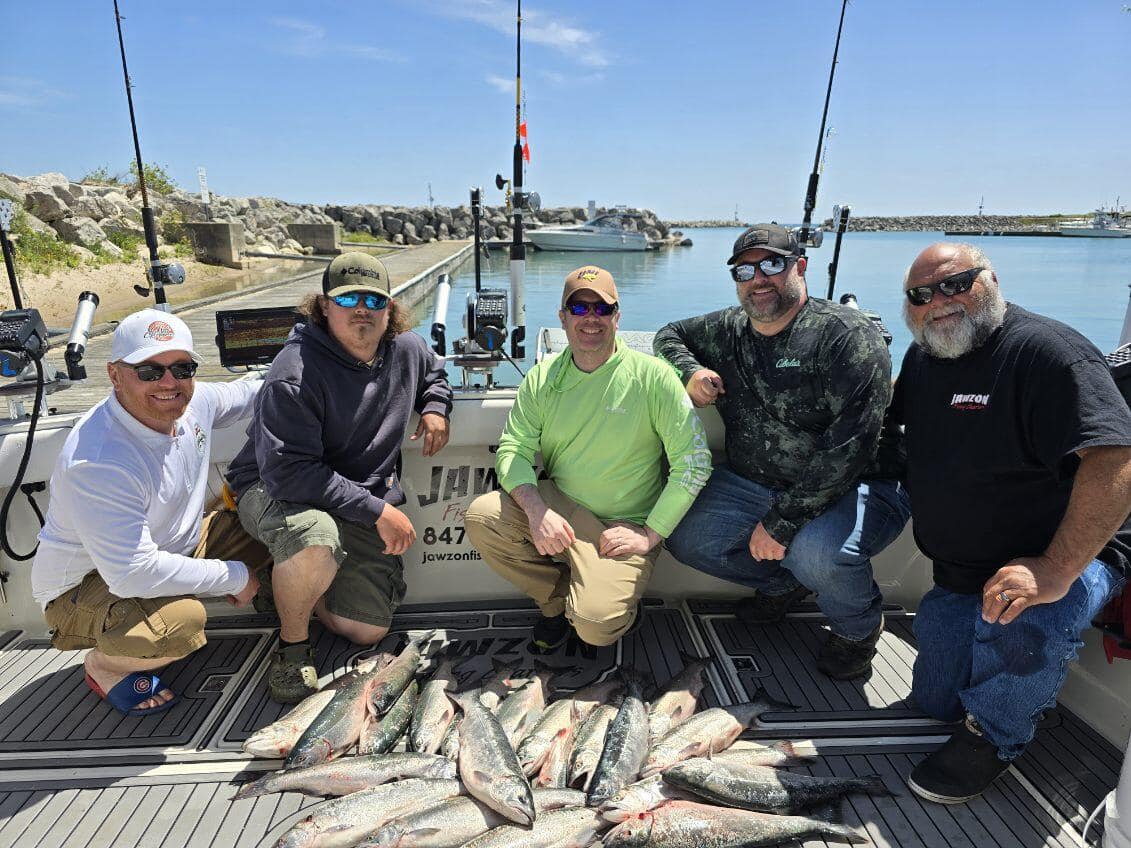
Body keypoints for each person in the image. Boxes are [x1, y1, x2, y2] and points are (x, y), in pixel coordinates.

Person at [893, 242, 1131, 804]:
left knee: (1030, 624)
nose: (939, 302)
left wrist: (1054, 568)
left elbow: (1117, 456)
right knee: (935, 703)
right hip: (960, 570)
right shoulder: (923, 358)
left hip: (1063, 558)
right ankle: (1009, 695)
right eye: (921, 294)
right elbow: (895, 434)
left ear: (992, 280)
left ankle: (994, 736)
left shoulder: (1046, 352)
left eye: (956, 283)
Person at [654, 223, 910, 680]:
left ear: (800, 267)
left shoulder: (846, 337)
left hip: (856, 486)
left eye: (772, 264)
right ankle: (786, 583)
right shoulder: (727, 329)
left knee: (815, 549)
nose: (758, 278)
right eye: (744, 269)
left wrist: (782, 523)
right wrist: (688, 371)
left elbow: (849, 448)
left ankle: (858, 629)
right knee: (683, 535)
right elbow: (669, 333)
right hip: (755, 482)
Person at [226, 252, 452, 703]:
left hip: (351, 496)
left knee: (367, 630)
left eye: (374, 298)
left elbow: (435, 371)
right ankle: (292, 647)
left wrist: (435, 407)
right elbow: (291, 473)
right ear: (324, 306)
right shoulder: (293, 374)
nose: (362, 309)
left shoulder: (404, 348)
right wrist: (378, 510)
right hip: (272, 487)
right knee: (315, 536)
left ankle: (287, 586)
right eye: (348, 298)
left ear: (390, 308)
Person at [464, 266, 712, 650]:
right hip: (560, 506)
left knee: (597, 628)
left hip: (625, 524)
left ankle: (610, 607)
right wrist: (536, 512)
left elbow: (693, 463)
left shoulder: (656, 377)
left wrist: (650, 534)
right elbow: (513, 448)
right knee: (482, 516)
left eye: (602, 308)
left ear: (617, 316)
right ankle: (555, 604)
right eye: (579, 308)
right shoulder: (541, 377)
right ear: (563, 318)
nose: (591, 318)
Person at [32, 308, 262, 716]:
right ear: (115, 375)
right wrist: (235, 575)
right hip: (85, 588)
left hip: (177, 547)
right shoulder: (100, 459)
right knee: (180, 625)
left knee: (276, 526)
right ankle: (104, 666)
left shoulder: (196, 403)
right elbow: (132, 572)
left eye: (182, 367)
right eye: (149, 371)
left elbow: (254, 390)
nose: (169, 382)